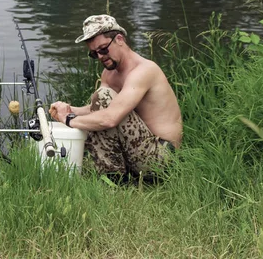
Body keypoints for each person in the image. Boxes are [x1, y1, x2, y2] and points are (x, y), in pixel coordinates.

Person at [49, 14, 183, 180]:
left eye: (103, 49)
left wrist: (69, 120)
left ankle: (113, 176)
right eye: (93, 54)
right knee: (100, 99)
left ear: (119, 39)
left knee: (103, 97)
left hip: (160, 157)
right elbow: (97, 108)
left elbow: (110, 118)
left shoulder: (144, 71)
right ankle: (112, 174)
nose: (100, 56)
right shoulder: (109, 73)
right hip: (137, 149)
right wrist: (68, 110)